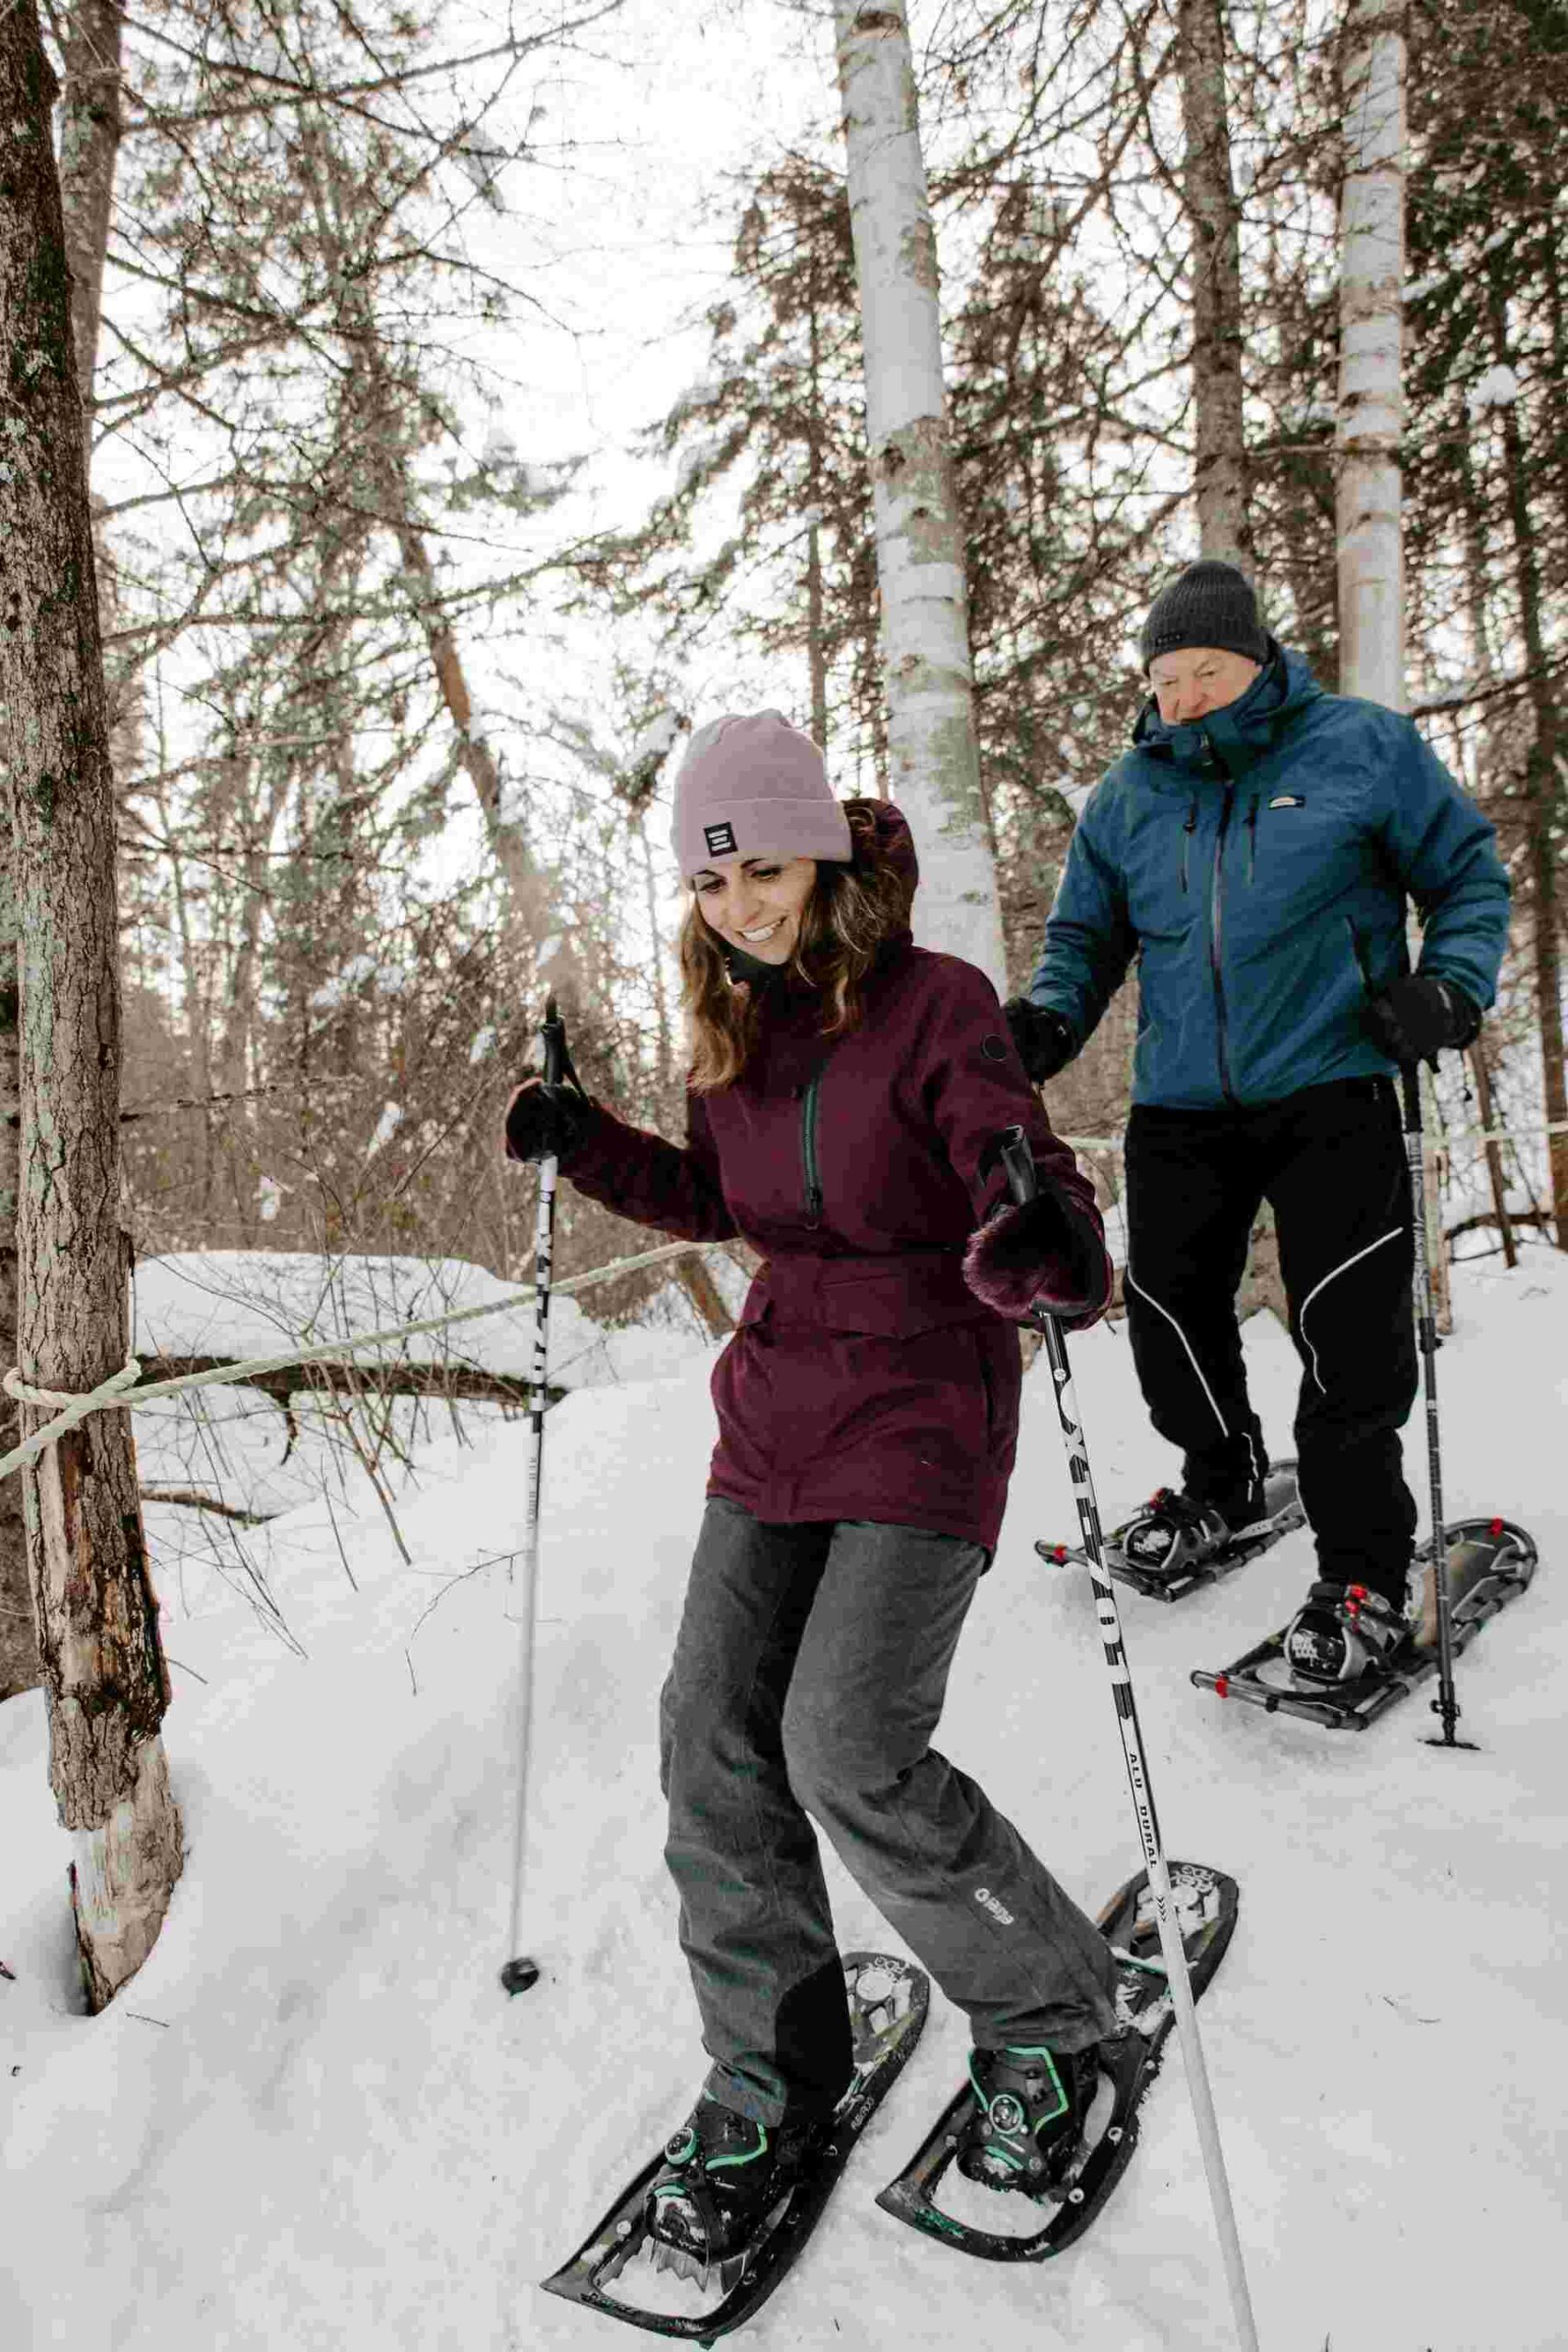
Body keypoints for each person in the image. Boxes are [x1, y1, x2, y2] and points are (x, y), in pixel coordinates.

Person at [503, 710, 1122, 2271]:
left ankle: (1050, 2020)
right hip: (778, 1404)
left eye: (765, 870)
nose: (740, 906)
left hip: (924, 1396)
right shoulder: (735, 1021)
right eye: (712, 885)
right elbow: (728, 1198)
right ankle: (773, 2069)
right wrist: (586, 1145)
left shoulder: (936, 1005)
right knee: (707, 1742)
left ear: (824, 855)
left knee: (844, 1745)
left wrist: (1040, 1223)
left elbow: (1012, 1146)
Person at [1005, 559, 1510, 1686]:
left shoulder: (1360, 747)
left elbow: (1470, 872)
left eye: (1205, 671)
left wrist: (1451, 986)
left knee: (1347, 1331)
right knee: (1169, 1312)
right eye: (1164, 676)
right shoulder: (1129, 796)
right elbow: (1087, 940)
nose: (1181, 696)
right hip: (1182, 1100)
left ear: (1258, 659)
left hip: (1333, 1082)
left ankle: (1366, 1570)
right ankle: (1221, 1480)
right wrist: (1048, 1020)